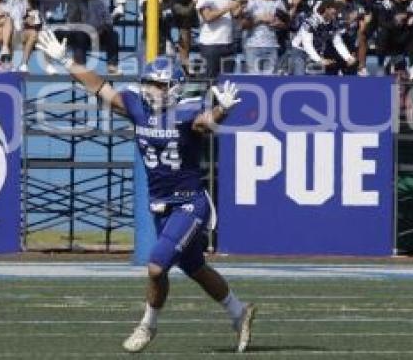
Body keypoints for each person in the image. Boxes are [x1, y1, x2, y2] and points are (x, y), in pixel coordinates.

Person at [35, 32, 256, 353]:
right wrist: (67, 60)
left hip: (189, 205)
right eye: (149, 83)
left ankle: (147, 326)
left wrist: (222, 111)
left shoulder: (186, 113)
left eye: (159, 84)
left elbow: (206, 122)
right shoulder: (138, 109)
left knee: (156, 266)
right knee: (194, 267)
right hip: (162, 207)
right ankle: (239, 312)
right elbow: (99, 86)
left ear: (175, 87)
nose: (152, 89)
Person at [196, 0, 243, 78]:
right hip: (211, 45)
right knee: (211, 79)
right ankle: (209, 95)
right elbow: (208, 17)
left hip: (228, 43)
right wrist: (228, 8)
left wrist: (240, 7)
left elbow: (234, 14)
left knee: (227, 79)